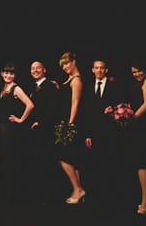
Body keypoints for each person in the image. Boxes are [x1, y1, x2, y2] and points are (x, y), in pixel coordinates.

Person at [81, 57, 126, 217]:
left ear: (106, 70)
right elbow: (86, 113)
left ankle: (113, 199)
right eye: (96, 68)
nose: (99, 70)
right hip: (94, 133)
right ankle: (97, 200)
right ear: (92, 70)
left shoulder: (115, 86)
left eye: (102, 68)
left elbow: (122, 106)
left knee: (111, 163)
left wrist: (113, 110)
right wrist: (87, 133)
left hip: (112, 133)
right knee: (95, 165)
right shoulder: (87, 88)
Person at [124, 58, 146, 216]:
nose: (137, 74)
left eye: (139, 71)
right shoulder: (137, 84)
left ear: (145, 70)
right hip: (139, 128)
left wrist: (132, 117)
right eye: (134, 72)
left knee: (143, 163)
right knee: (142, 161)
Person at [0, 62, 34, 204]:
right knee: (5, 159)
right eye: (6, 72)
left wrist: (21, 119)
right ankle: (6, 192)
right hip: (2, 127)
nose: (8, 75)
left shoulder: (16, 88)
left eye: (11, 73)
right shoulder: (3, 87)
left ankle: (13, 195)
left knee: (11, 159)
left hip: (11, 130)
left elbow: (30, 105)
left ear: (14, 75)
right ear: (2, 73)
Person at [26, 60, 60, 204]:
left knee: (45, 162)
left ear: (44, 70)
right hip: (35, 132)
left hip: (45, 130)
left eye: (38, 68)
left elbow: (53, 108)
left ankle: (47, 196)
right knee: (36, 162)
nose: (35, 70)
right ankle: (38, 195)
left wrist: (41, 122)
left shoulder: (50, 86)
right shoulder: (33, 87)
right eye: (32, 68)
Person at [55, 52, 87, 204]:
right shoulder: (70, 80)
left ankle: (77, 189)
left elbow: (75, 102)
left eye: (67, 63)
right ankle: (79, 191)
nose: (65, 67)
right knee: (73, 158)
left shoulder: (77, 80)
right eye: (62, 65)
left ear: (74, 62)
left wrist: (70, 123)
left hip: (72, 124)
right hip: (68, 123)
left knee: (64, 158)